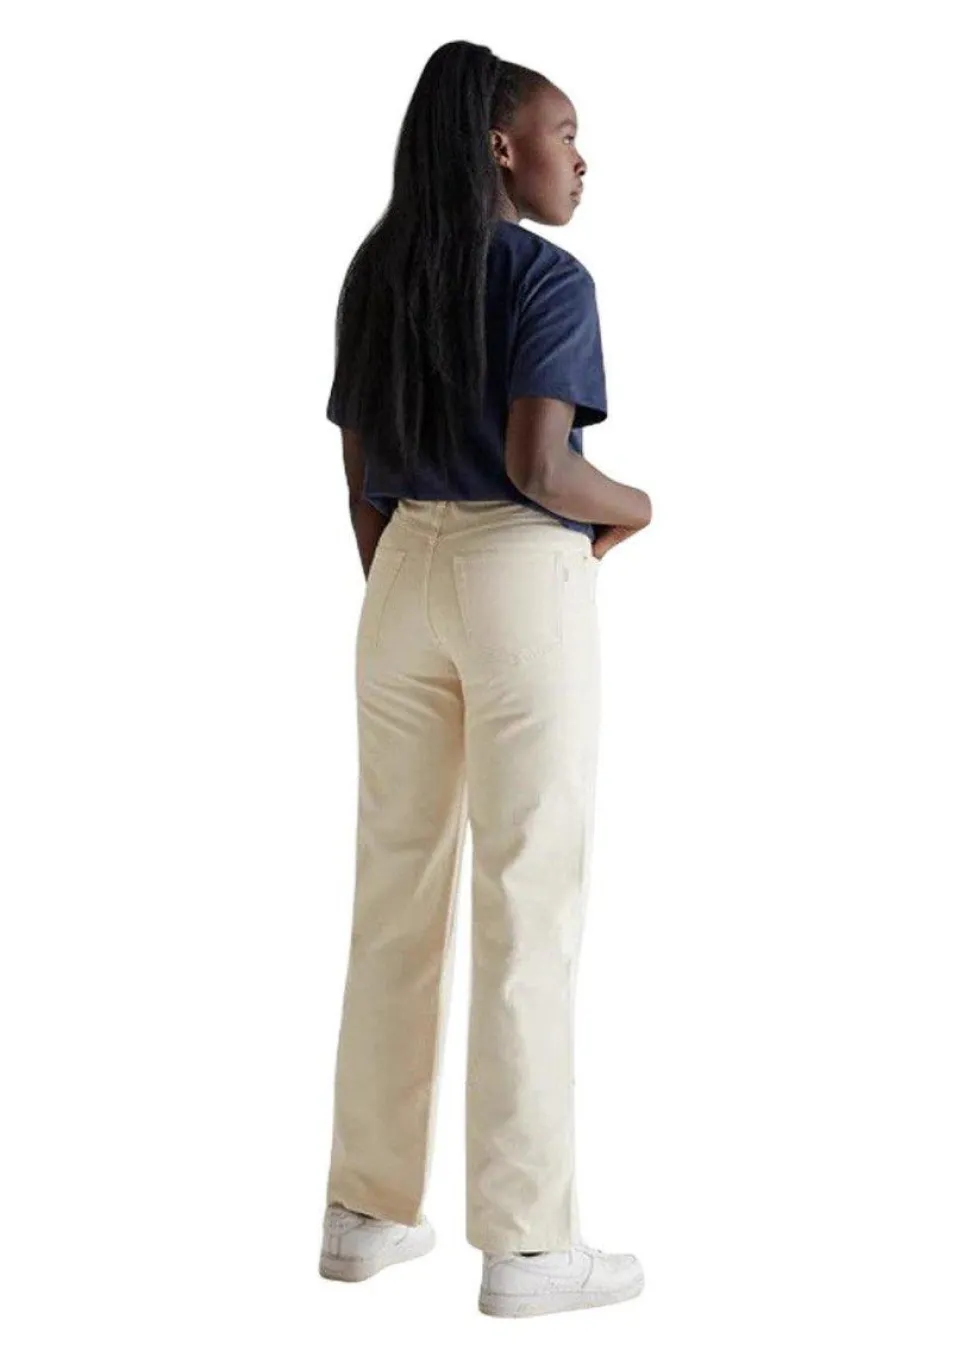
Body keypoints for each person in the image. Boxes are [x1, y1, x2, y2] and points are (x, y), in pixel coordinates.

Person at [318, 40, 652, 1319]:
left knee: (394, 891)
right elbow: (541, 468)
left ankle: (364, 1212)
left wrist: (407, 586)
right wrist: (638, 506)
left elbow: (361, 474)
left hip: (399, 574)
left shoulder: (378, 269)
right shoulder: (545, 278)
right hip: (519, 571)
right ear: (504, 148)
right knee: (527, 890)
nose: (580, 158)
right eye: (564, 133)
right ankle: (526, 1248)